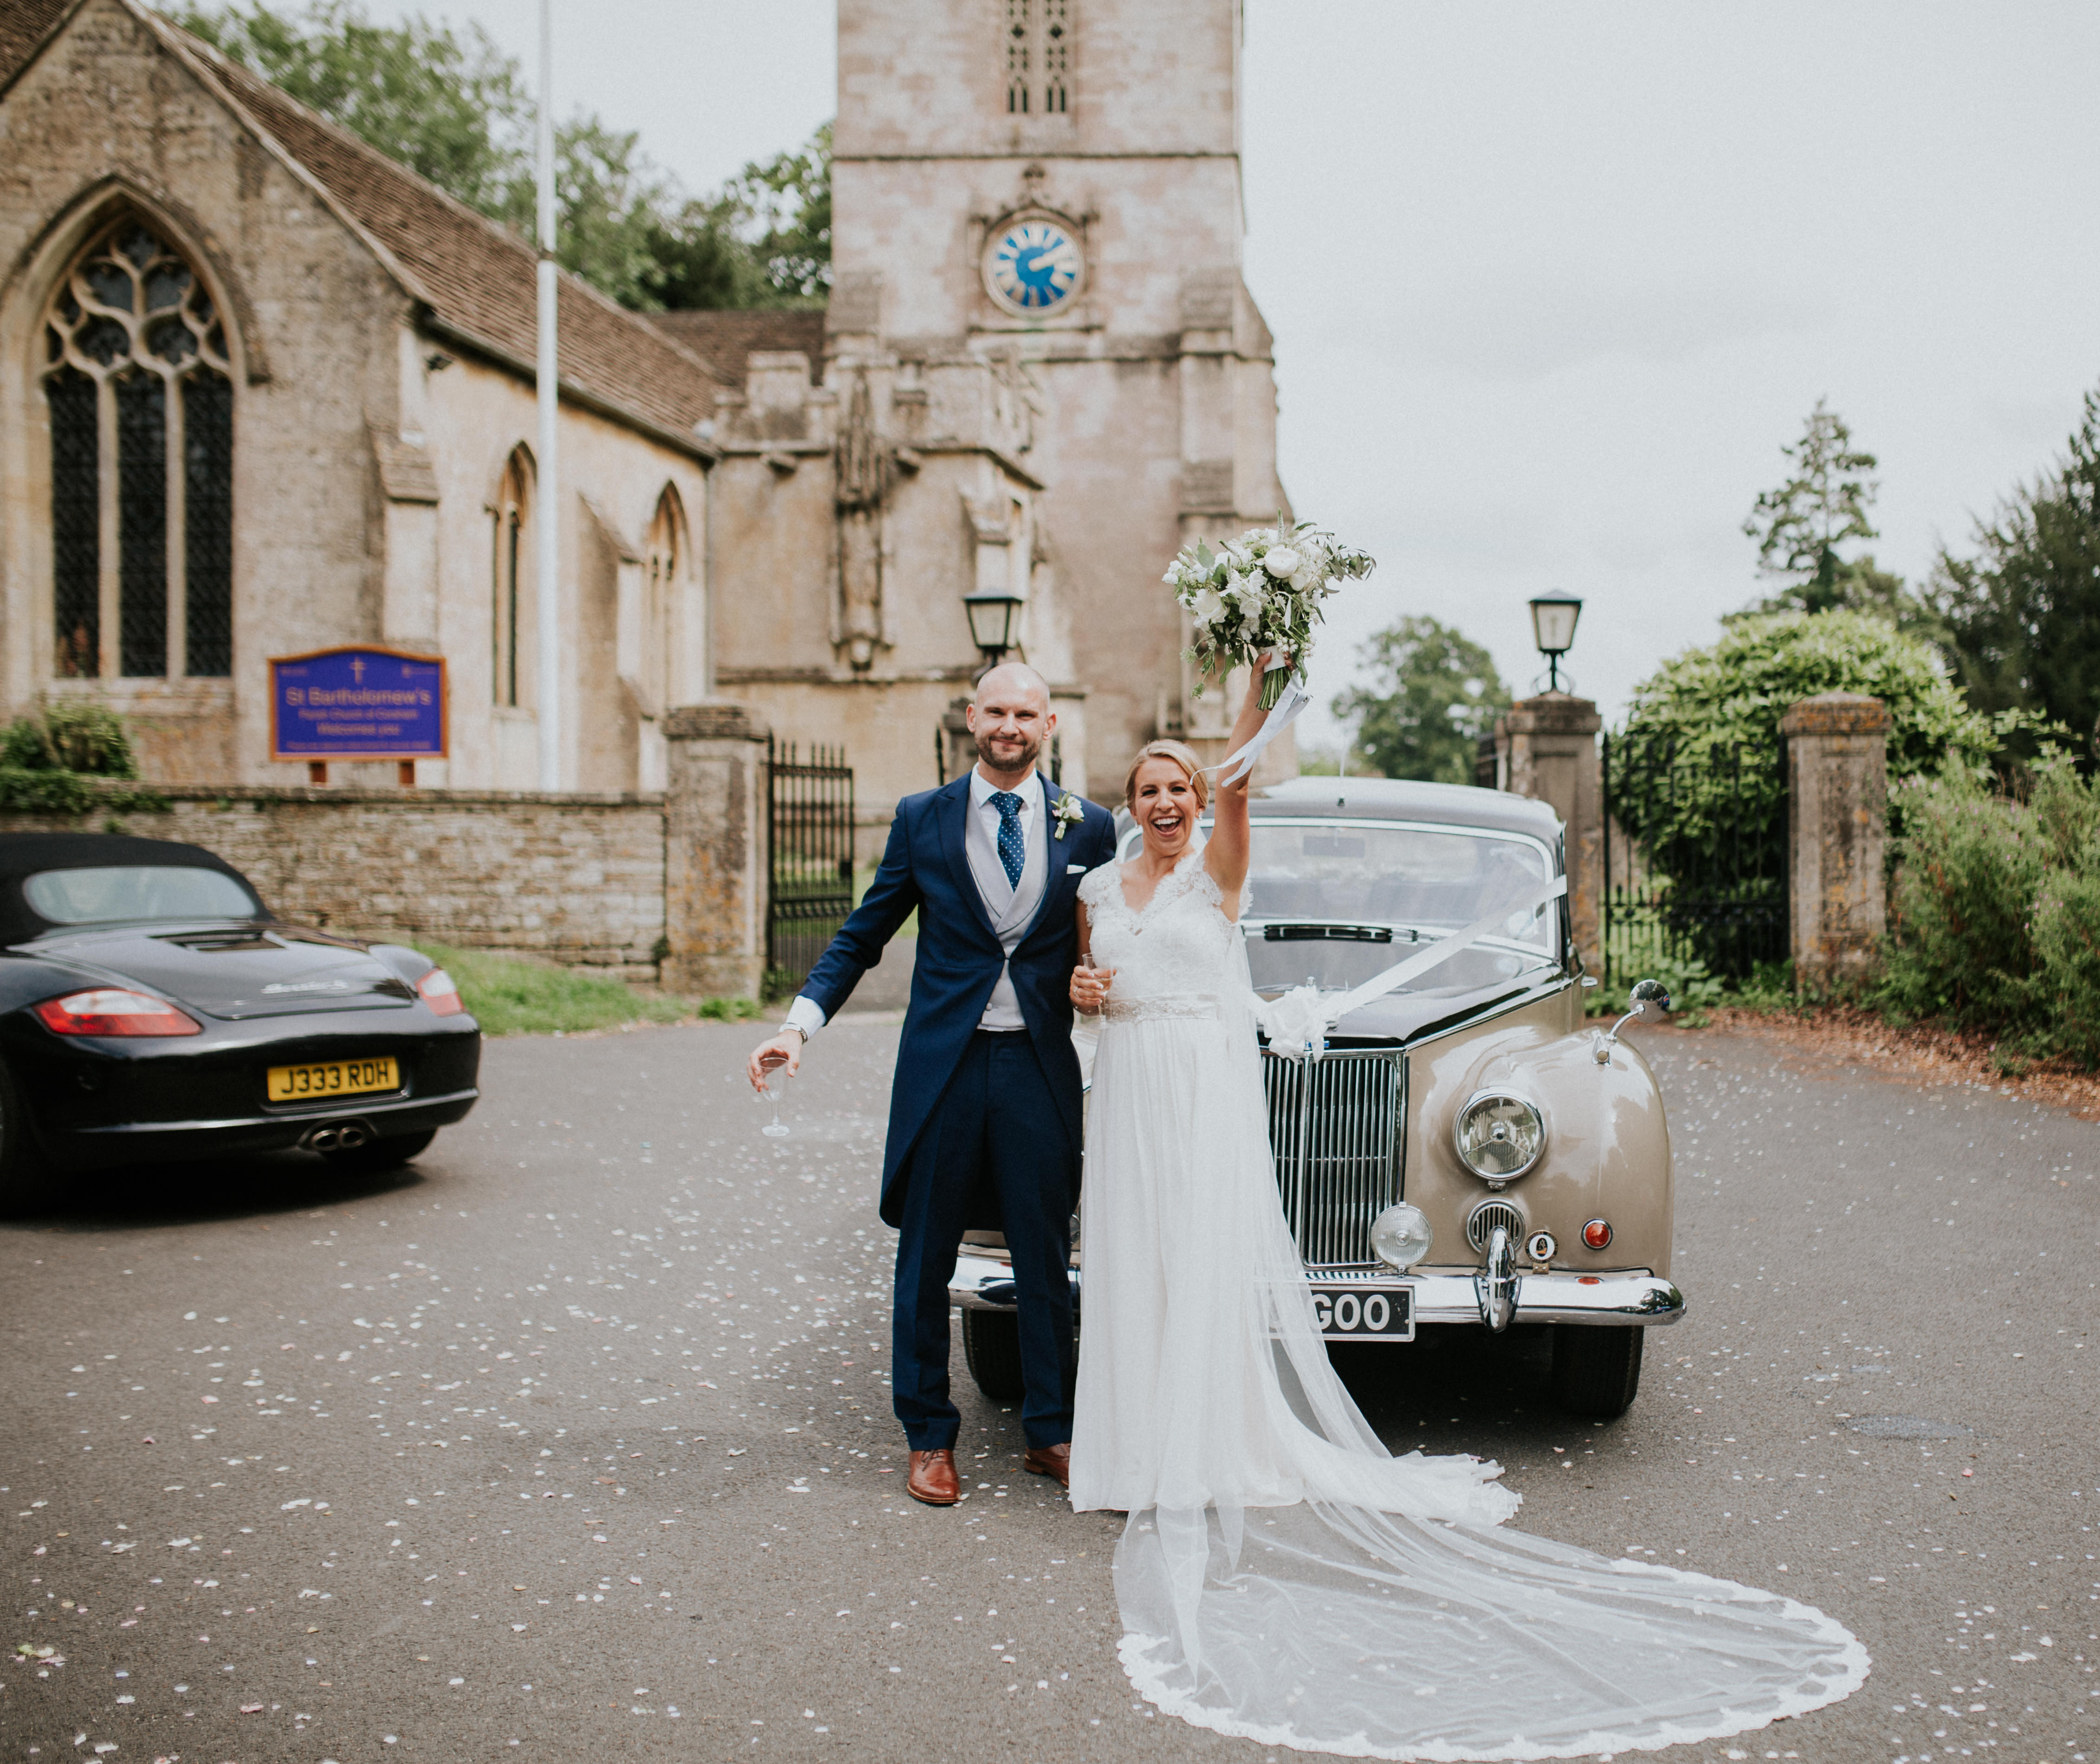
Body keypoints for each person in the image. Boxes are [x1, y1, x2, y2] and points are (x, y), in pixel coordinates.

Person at [1064, 655, 1868, 1758]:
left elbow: (1238, 788)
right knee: (1142, 1263)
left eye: (1180, 791)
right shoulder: (1102, 890)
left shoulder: (1218, 858)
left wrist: (1259, 689)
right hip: (1151, 1081)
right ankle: (1138, 1447)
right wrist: (1085, 990)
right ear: (1130, 805)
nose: (1166, 803)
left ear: (1194, 801)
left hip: (1210, 1074)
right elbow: (1088, 984)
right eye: (1149, 791)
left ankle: (1221, 1436)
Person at [747, 662, 1115, 1508]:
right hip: (943, 1068)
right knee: (925, 1256)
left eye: (1026, 713)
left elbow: (1107, 938)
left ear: (1049, 725)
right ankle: (928, 1436)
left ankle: (1050, 1432)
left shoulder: (1088, 827)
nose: (1010, 725)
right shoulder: (923, 820)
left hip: (1038, 1066)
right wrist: (796, 1026)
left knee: (1043, 1255)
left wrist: (1099, 985)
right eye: (996, 710)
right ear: (971, 716)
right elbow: (862, 936)